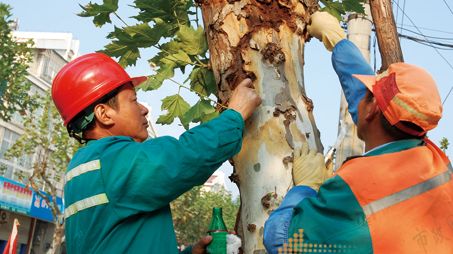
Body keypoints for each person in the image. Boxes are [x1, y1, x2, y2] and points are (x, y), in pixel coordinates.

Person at [263, 11, 453, 253]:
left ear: (373, 108)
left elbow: (282, 241)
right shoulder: (435, 161)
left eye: (369, 90)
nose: (361, 92)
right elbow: (368, 101)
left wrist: (305, 188)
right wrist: (339, 43)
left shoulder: (354, 189)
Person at [51, 53, 261, 253]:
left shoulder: (83, 166)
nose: (144, 109)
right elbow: (184, 156)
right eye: (133, 100)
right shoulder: (111, 160)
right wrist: (235, 114)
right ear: (104, 114)